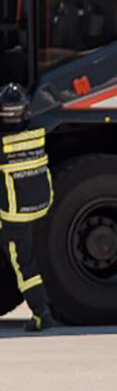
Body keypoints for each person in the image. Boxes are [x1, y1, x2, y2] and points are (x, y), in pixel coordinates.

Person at [0, 83, 54, 332]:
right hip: (36, 204)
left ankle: (41, 314)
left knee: (23, 264)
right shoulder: (34, 133)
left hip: (14, 213)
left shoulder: (3, 144)